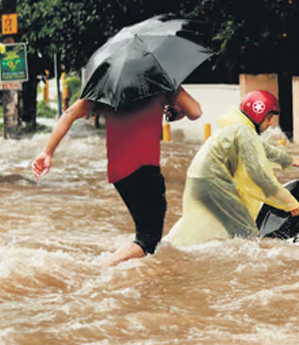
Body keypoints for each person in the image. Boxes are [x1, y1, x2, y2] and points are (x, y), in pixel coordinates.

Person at [31, 86, 202, 267]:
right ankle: (98, 269)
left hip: (119, 173)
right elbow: (196, 112)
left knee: (147, 235)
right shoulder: (160, 86)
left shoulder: (105, 88)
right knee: (148, 242)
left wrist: (47, 152)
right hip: (146, 170)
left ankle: (125, 272)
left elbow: (70, 113)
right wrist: (176, 102)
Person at [163, 90, 299, 246]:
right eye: (269, 117)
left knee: (198, 230)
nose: (271, 123)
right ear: (258, 114)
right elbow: (259, 176)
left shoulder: (239, 128)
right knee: (247, 237)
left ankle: (162, 249)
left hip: (201, 182)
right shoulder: (244, 132)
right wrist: (289, 203)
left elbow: (266, 151)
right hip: (215, 185)